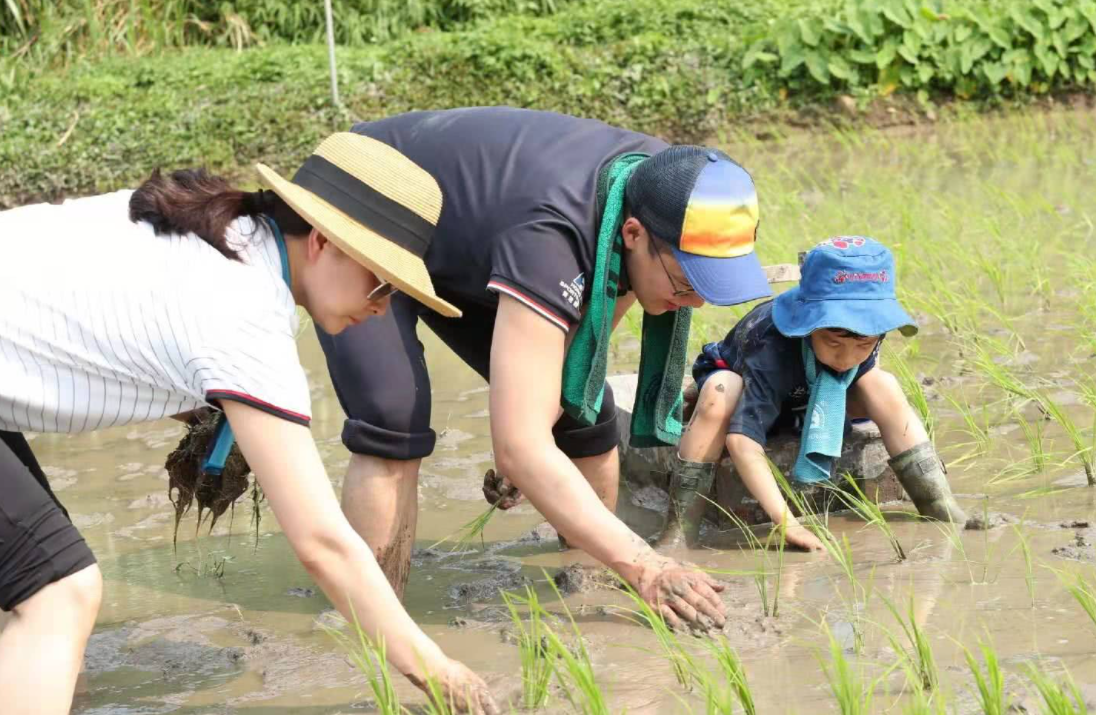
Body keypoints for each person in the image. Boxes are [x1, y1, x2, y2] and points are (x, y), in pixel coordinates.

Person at [0, 133, 497, 714]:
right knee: (59, 592)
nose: (383, 306)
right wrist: (434, 669)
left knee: (26, 586)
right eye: (383, 282)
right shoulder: (247, 314)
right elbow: (323, 544)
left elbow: (108, 324)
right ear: (321, 242)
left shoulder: (221, 231)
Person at [316, 107, 774, 630]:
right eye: (686, 283)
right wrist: (645, 562)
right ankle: (373, 621)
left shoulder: (667, 184)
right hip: (367, 200)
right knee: (392, 415)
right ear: (632, 235)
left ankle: (588, 588)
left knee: (584, 411)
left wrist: (530, 439)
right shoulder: (554, 236)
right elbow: (521, 443)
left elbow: (582, 350)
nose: (691, 303)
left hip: (472, 231)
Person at [658, 236, 967, 551]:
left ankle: (939, 505)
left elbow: (863, 367)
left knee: (883, 384)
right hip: (749, 388)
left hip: (808, 394)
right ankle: (680, 533)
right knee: (720, 391)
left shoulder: (869, 336)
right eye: (833, 343)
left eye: (862, 345)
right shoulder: (771, 347)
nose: (846, 358)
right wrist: (787, 524)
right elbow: (741, 442)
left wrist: (856, 356)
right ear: (806, 325)